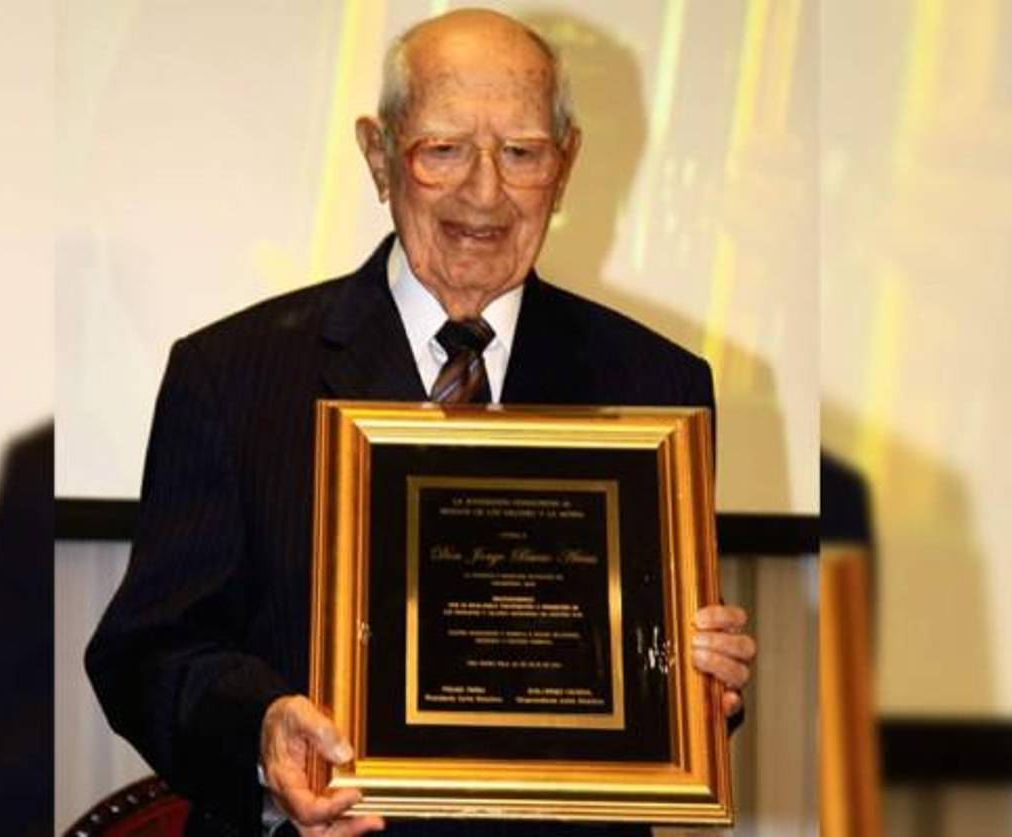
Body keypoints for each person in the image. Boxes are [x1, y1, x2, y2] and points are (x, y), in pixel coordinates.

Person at [87, 10, 755, 836]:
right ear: (378, 156)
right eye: (443, 150)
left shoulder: (655, 386)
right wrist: (260, 729)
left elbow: (643, 702)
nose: (484, 191)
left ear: (566, 164)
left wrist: (695, 687)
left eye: (522, 153)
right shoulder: (231, 375)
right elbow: (147, 653)